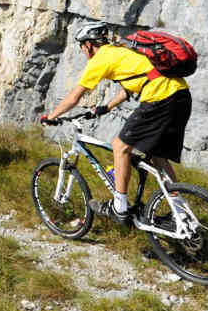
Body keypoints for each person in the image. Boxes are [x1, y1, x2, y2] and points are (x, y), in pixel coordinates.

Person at [42, 20, 192, 225]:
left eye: (82, 47)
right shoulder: (121, 51)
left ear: (88, 45)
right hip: (181, 96)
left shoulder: (100, 58)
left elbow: (75, 97)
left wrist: (50, 116)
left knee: (120, 146)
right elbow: (136, 82)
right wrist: (107, 107)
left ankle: (119, 208)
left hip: (159, 98)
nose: (83, 52)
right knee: (159, 157)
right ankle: (181, 215)